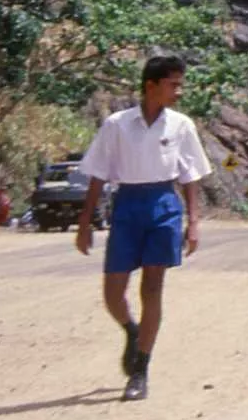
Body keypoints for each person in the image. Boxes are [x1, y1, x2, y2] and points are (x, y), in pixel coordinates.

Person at [76, 55, 212, 402]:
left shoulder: (181, 125)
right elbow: (98, 174)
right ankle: (132, 331)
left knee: (152, 289)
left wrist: (193, 222)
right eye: (173, 85)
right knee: (112, 293)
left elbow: (190, 176)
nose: (179, 92)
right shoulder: (117, 125)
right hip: (127, 206)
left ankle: (140, 370)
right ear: (151, 85)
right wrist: (85, 221)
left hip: (163, 205)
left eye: (180, 85)